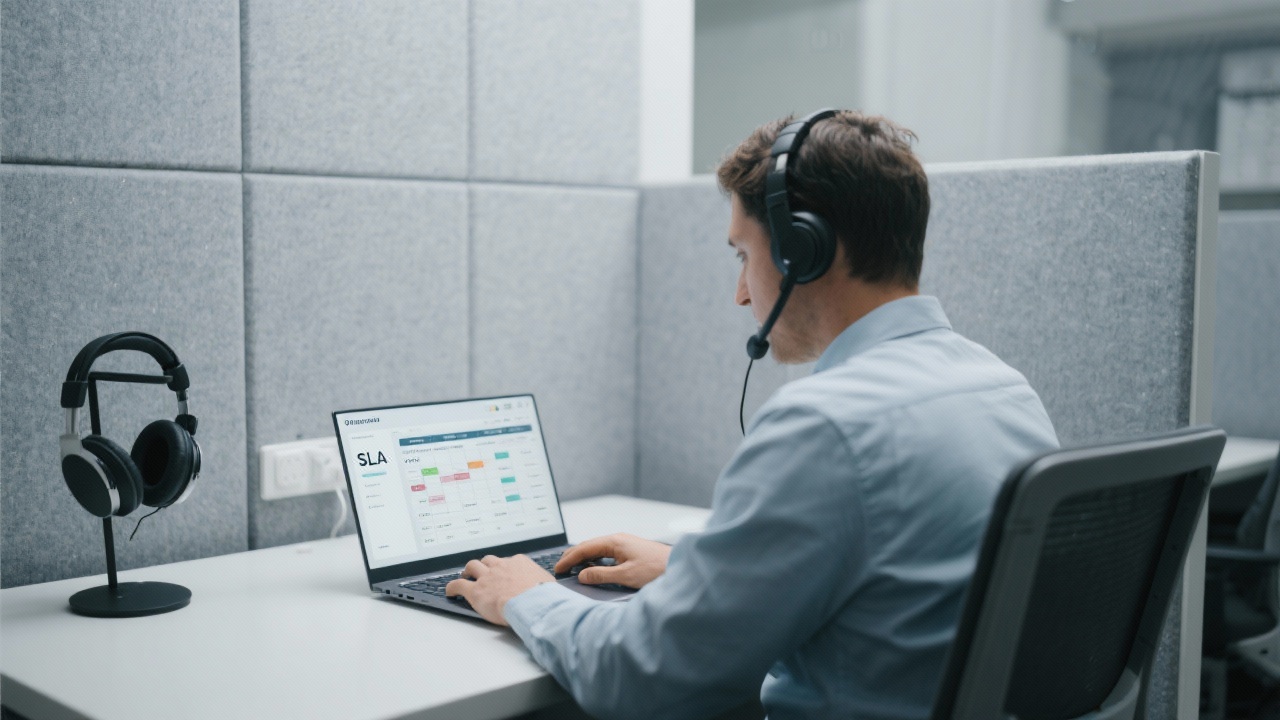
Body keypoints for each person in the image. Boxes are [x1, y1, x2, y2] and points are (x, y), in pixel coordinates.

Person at [447, 110, 1060, 720]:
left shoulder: (824, 426)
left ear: (803, 251)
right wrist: (694, 569)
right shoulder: (1005, 393)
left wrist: (529, 598)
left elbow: (642, 679)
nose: (742, 292)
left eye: (743, 254)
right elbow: (892, 575)